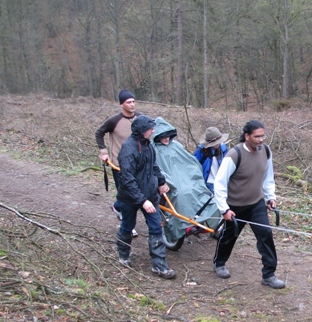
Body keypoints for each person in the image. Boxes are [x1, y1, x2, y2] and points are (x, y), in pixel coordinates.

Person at [212, 120, 285, 289]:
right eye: (257, 136)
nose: (261, 140)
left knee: (265, 235)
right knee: (229, 237)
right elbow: (220, 183)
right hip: (235, 207)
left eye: (262, 136)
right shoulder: (234, 155)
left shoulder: (265, 151)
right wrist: (224, 209)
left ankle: (269, 274)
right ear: (247, 136)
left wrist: (270, 197)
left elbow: (268, 176)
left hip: (256, 203)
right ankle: (219, 263)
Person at [115, 115, 175, 278]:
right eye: (150, 129)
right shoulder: (128, 149)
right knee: (128, 226)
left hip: (150, 195)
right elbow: (127, 179)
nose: (153, 131)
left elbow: (153, 166)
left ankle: (159, 265)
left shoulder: (148, 145)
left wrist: (161, 182)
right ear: (141, 131)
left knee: (156, 228)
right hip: (130, 198)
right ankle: (123, 255)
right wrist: (142, 200)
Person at [152, 117, 221, 245]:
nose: (166, 138)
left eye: (168, 135)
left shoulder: (176, 145)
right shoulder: (154, 149)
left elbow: (191, 162)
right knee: (182, 195)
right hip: (171, 181)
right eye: (163, 136)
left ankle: (208, 221)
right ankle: (181, 225)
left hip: (188, 178)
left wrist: (196, 176)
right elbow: (156, 168)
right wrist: (164, 181)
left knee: (202, 192)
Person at [95, 89, 141, 237]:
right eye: (129, 102)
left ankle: (117, 206)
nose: (132, 104)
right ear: (122, 104)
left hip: (139, 164)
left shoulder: (141, 118)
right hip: (119, 164)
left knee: (135, 193)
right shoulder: (114, 121)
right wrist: (104, 152)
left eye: (133, 101)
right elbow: (99, 133)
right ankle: (128, 226)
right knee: (127, 194)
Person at [193, 127, 229, 193]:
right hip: (209, 182)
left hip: (222, 181)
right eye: (215, 142)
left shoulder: (223, 149)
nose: (217, 144)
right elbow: (194, 167)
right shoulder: (201, 151)